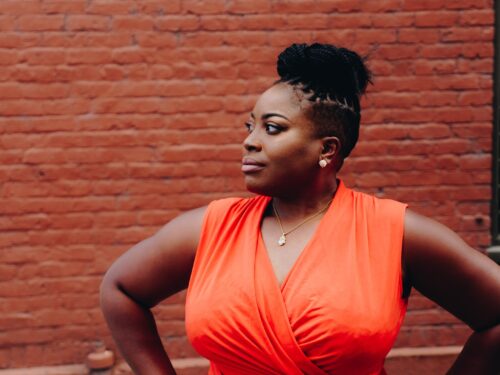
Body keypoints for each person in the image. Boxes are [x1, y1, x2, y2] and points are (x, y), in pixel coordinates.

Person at [100, 43, 500, 374]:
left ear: (327, 149)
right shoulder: (209, 228)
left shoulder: (394, 233)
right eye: (249, 126)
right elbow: (120, 290)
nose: (250, 142)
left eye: (272, 128)